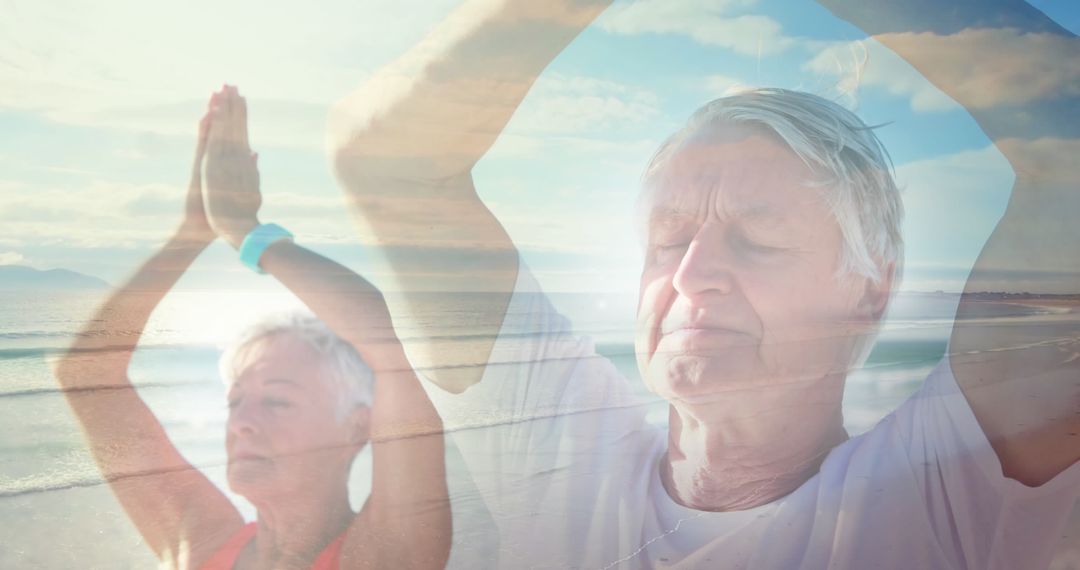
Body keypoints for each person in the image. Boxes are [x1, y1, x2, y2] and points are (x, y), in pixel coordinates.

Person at [327, 0, 1080, 568]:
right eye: (668, 239)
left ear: (870, 290)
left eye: (757, 240)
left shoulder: (945, 491)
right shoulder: (564, 461)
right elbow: (391, 162)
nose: (690, 275)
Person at [54, 86, 451, 570]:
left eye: (277, 401)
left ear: (357, 426)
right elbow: (86, 376)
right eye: (235, 401)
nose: (241, 423)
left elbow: (383, 345)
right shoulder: (199, 545)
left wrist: (244, 229)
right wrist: (191, 234)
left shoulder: (385, 553)